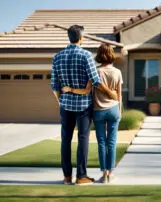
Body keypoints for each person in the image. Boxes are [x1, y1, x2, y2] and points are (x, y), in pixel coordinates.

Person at [51, 25, 117, 185]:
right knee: (83, 138)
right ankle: (81, 176)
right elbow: (95, 81)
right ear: (81, 38)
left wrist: (62, 100)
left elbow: (54, 86)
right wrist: (110, 93)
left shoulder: (57, 57)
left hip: (65, 106)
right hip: (83, 107)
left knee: (65, 140)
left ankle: (67, 177)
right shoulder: (86, 55)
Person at [62, 44, 122, 184]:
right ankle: (110, 174)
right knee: (112, 142)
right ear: (112, 55)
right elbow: (119, 95)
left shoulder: (95, 71)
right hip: (114, 110)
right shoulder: (117, 72)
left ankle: (104, 174)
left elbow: (88, 90)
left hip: (98, 111)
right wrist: (119, 111)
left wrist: (71, 89)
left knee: (101, 142)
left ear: (99, 56)